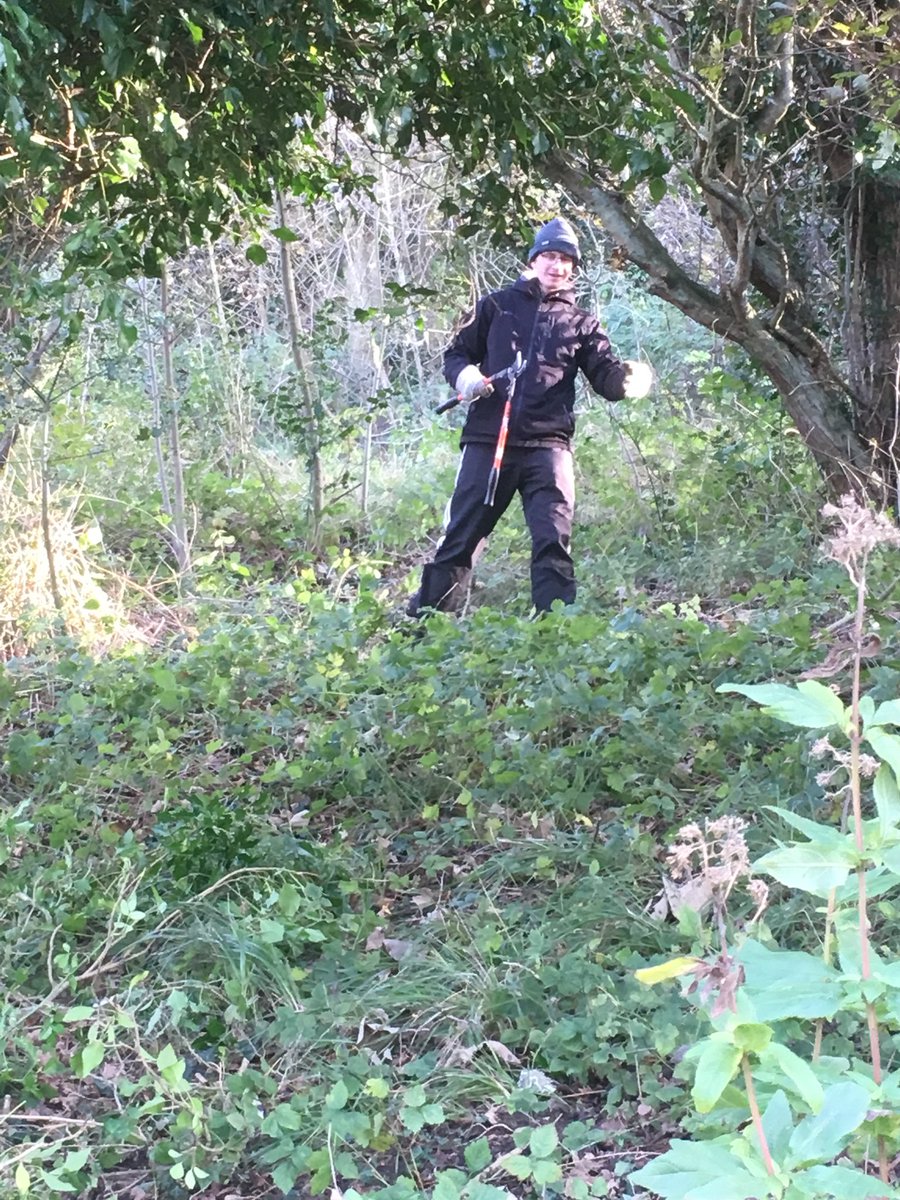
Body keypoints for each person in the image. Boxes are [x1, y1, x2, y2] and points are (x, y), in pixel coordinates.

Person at [408, 215, 653, 617]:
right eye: (551, 256)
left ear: (573, 269)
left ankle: (554, 634)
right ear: (534, 259)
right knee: (461, 538)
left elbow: (606, 377)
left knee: (553, 541)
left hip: (549, 448)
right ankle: (425, 626)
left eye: (566, 261)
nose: (558, 266)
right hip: (489, 442)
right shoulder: (496, 306)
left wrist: (628, 380)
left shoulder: (582, 323)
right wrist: (467, 376)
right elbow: (456, 355)